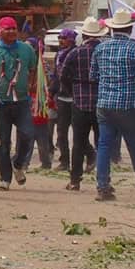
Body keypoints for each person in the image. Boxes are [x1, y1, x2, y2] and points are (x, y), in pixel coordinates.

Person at [89, 10, 135, 201]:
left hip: (104, 104)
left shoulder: (100, 48)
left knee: (104, 145)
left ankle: (103, 187)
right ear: (130, 28)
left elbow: (93, 76)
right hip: (128, 104)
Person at [0, 16, 38, 191]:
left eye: (14, 28)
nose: (12, 31)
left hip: (22, 102)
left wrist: (31, 85)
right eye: (7, 28)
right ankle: (5, 179)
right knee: (3, 143)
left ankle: (18, 164)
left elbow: (33, 69)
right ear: (0, 31)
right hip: (1, 103)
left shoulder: (27, 50)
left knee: (28, 135)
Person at [60, 17, 105, 191]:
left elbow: (63, 75)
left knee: (78, 143)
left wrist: (72, 91)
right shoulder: (103, 52)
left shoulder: (74, 53)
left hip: (79, 102)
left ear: (84, 34)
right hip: (101, 102)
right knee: (102, 143)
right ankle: (102, 181)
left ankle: (75, 180)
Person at [51, 28, 78, 172]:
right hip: (61, 97)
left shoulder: (75, 54)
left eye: (63, 38)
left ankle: (89, 156)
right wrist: (52, 91)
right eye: (59, 38)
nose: (60, 40)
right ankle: (64, 161)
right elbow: (56, 76)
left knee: (79, 132)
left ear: (71, 39)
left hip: (74, 98)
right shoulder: (58, 55)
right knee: (61, 132)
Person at [28, 37, 55, 170]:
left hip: (38, 101)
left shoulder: (41, 65)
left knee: (39, 134)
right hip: (32, 101)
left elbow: (46, 83)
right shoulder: (29, 62)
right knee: (32, 134)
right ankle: (27, 162)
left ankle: (43, 162)